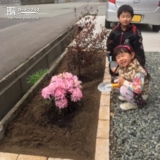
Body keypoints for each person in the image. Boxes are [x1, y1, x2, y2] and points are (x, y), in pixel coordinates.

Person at [111, 44, 150, 111]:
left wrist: (123, 82)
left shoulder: (138, 72)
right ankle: (129, 96)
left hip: (141, 94)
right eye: (118, 57)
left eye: (123, 56)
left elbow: (138, 89)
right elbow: (123, 77)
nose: (121, 59)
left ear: (132, 55)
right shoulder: (123, 67)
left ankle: (135, 104)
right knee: (117, 82)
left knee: (123, 89)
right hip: (133, 88)